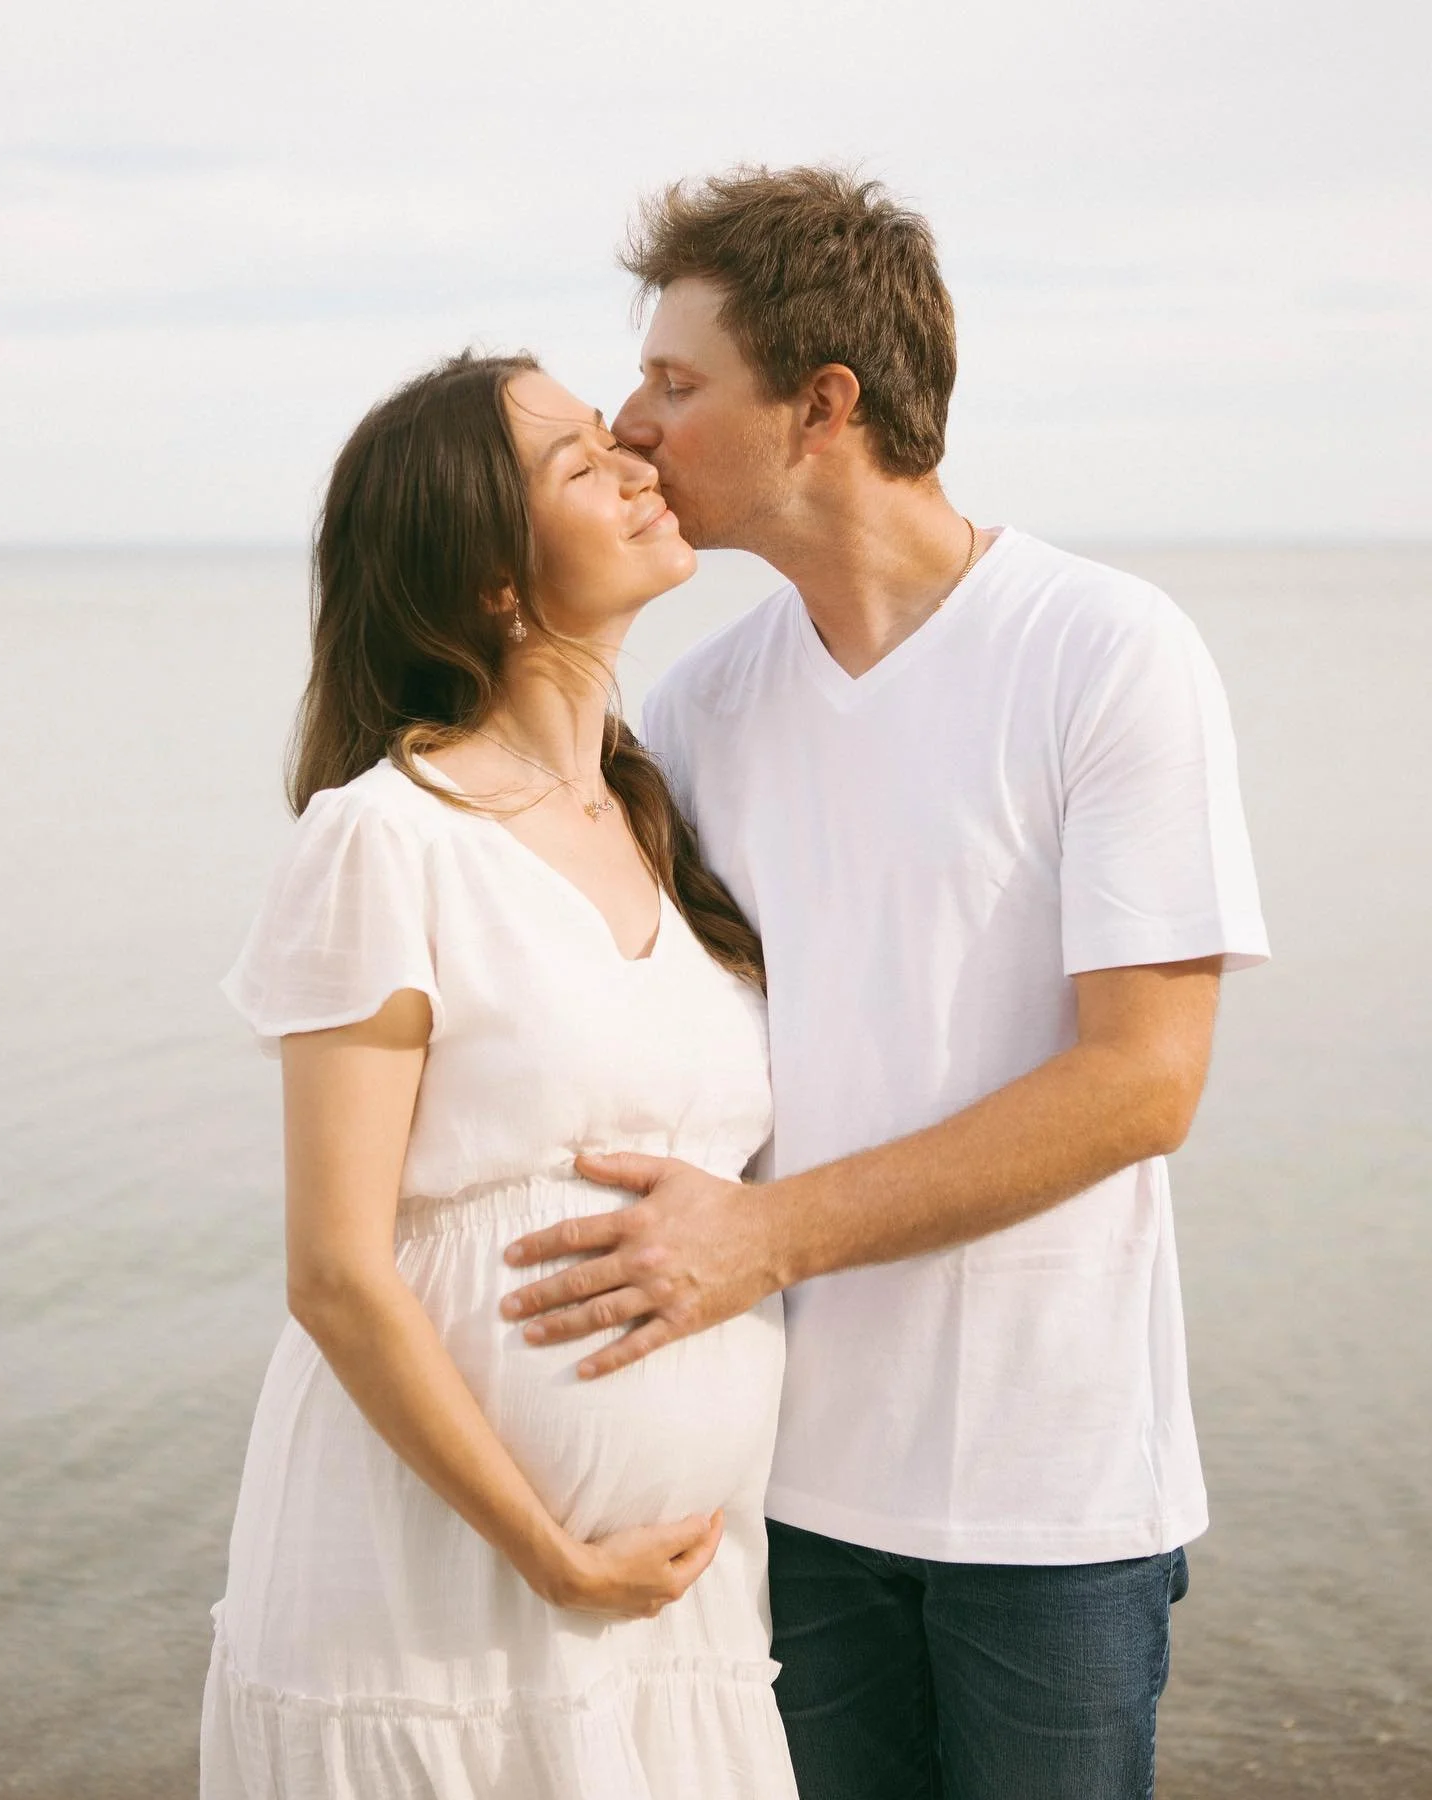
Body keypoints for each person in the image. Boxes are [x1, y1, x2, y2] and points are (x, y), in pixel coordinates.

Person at [500, 167, 1271, 1799]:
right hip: (778, 1487)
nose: (632, 424)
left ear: (822, 405)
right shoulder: (703, 712)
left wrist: (762, 1236)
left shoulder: (1105, 652)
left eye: (676, 382)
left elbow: (1144, 1082)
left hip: (1055, 1503)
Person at [200, 352, 799, 1799]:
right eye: (583, 466)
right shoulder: (385, 839)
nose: (641, 466)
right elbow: (337, 1273)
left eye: (616, 441)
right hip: (445, 1595)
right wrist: (551, 1550)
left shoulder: (670, 818)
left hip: (677, 1610)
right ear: (490, 580)